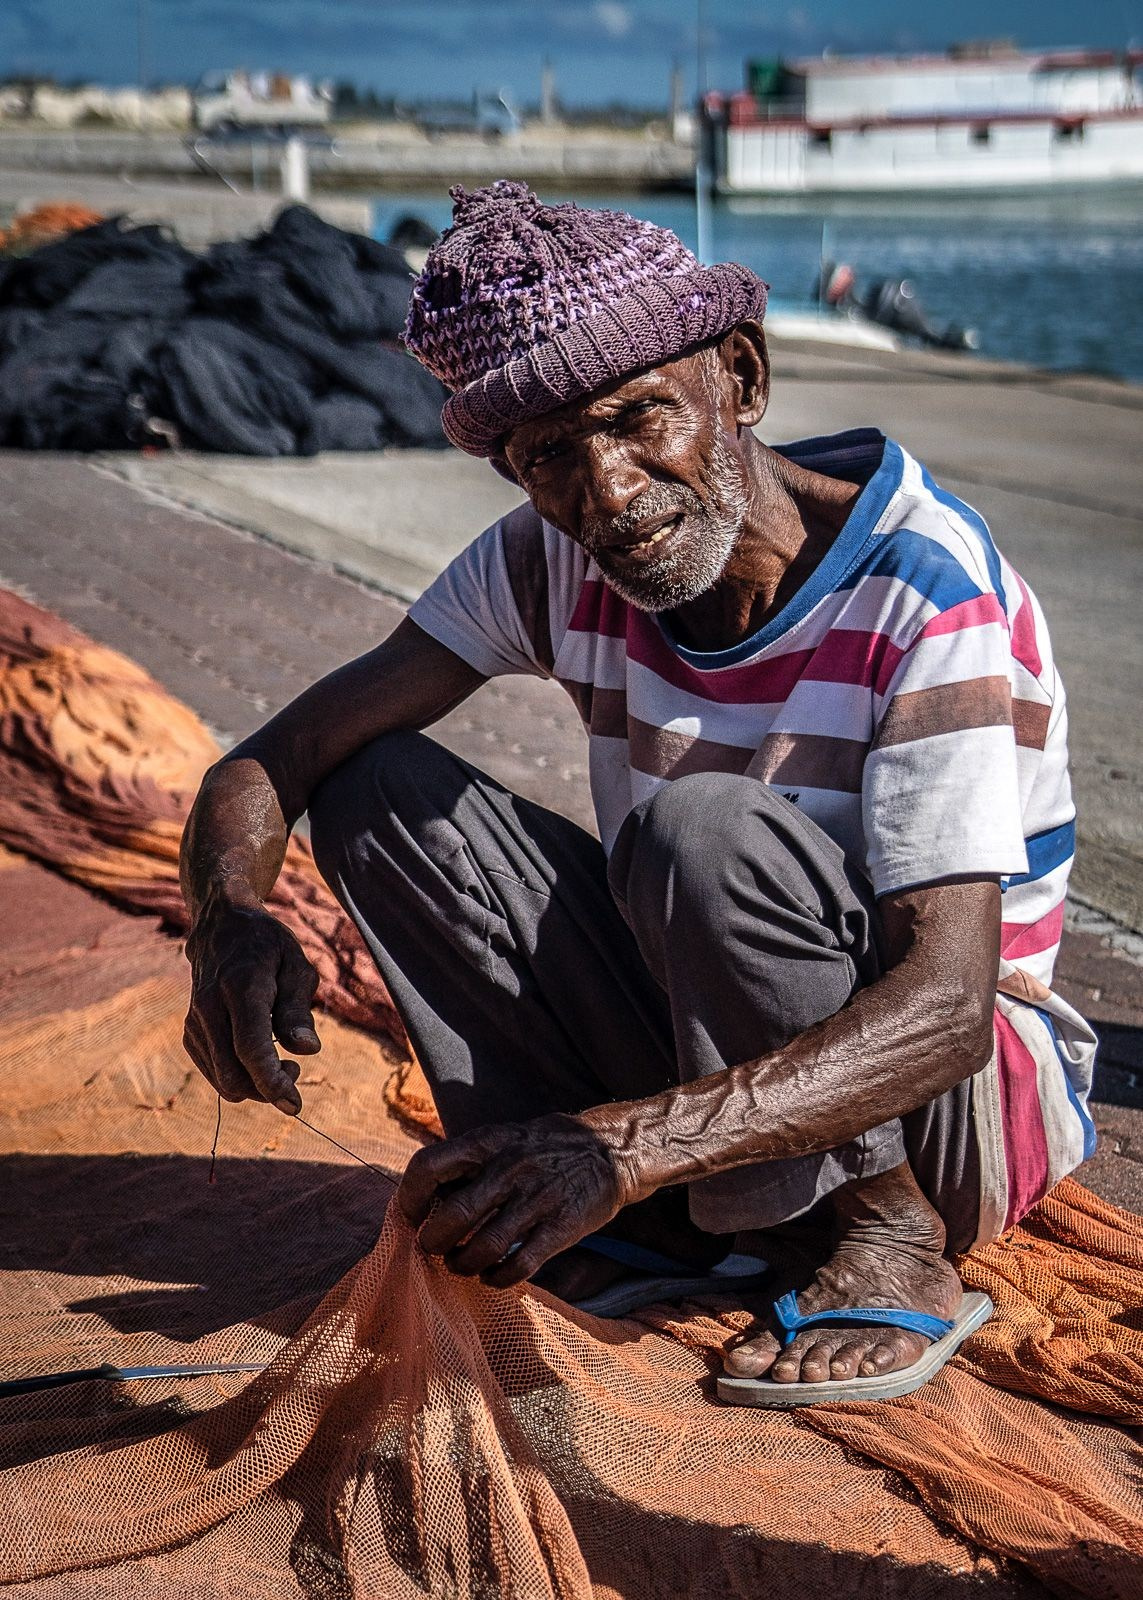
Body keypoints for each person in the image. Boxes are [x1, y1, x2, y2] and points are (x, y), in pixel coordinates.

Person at [180, 182, 1096, 1400]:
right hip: (712, 1039)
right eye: (549, 456)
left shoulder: (926, 592)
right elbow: (271, 762)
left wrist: (629, 1140)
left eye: (639, 418)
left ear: (742, 380)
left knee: (698, 830)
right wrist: (226, 917)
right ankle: (657, 1220)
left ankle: (883, 1240)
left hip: (956, 1108)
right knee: (378, 786)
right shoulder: (551, 559)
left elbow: (947, 1007)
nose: (606, 492)